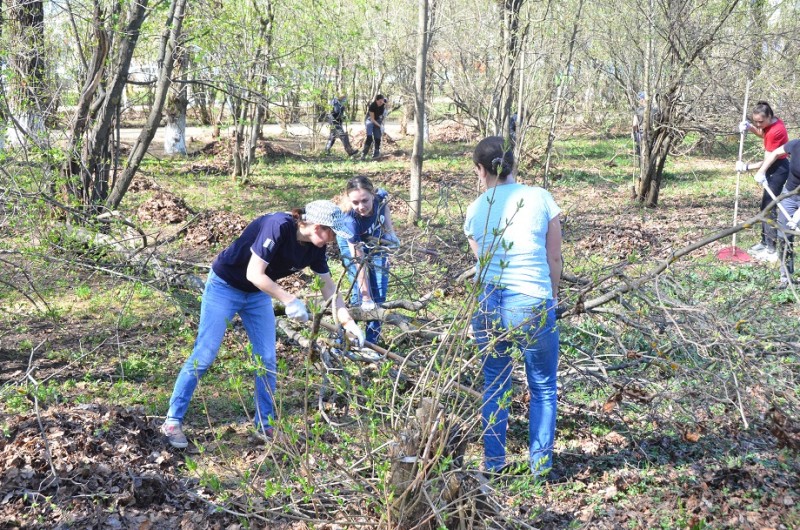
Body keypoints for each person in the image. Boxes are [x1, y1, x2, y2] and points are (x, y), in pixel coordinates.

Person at [161, 200, 366, 448]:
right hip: (225, 286)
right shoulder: (277, 225)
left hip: (257, 295)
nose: (332, 240)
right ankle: (172, 420)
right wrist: (289, 300)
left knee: (266, 358)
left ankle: (264, 424)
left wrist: (347, 322)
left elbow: (328, 287)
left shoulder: (316, 247)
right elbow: (254, 273)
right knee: (205, 354)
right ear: (316, 225)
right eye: (331, 233)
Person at [463, 136, 562, 477]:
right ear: (513, 164)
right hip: (531, 300)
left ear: (480, 170)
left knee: (494, 382)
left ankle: (493, 465)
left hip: (489, 302)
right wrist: (553, 297)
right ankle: (540, 468)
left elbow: (483, 260)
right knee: (544, 386)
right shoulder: (540, 198)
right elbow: (553, 256)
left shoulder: (477, 208)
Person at [336, 176, 398, 345]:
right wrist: (366, 297)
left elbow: (384, 206)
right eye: (355, 202)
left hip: (373, 238)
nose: (361, 207)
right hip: (352, 240)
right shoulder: (349, 220)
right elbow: (358, 262)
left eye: (365, 201)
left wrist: (389, 233)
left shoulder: (380, 197)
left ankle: (371, 343)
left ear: (372, 194)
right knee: (360, 293)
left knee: (379, 290)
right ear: (349, 200)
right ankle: (350, 339)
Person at [735, 101, 790, 264]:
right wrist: (749, 127)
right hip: (772, 165)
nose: (758, 124)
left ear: (770, 117)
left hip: (778, 168)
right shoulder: (770, 124)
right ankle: (765, 242)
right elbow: (762, 133)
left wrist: (747, 167)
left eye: (760, 122)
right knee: (764, 207)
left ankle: (772, 249)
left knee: (769, 207)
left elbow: (769, 158)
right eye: (755, 121)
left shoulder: (776, 131)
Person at [753, 139, 800, 289]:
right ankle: (786, 277)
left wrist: (798, 215)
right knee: (784, 235)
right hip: (789, 195)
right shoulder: (795, 145)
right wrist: (761, 171)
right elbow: (775, 153)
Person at [361, 94, 387, 160]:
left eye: (382, 102)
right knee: (369, 138)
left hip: (377, 120)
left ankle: (376, 153)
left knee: (377, 137)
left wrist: (385, 113)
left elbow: (387, 103)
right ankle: (364, 154)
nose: (381, 103)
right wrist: (380, 126)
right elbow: (372, 120)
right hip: (370, 120)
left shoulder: (383, 103)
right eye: (380, 102)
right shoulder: (372, 106)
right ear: (376, 100)